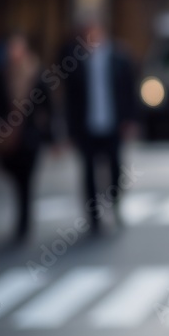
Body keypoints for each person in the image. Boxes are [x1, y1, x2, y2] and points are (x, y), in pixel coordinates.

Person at [61, 20, 138, 234]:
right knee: (88, 172)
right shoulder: (76, 61)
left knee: (114, 168)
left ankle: (115, 205)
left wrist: (131, 119)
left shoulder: (119, 57)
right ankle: (93, 217)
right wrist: (69, 130)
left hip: (113, 123)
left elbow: (129, 89)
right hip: (86, 126)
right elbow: (70, 99)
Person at [0, 34, 54, 244]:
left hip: (30, 134)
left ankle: (24, 222)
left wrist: (51, 135)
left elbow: (48, 106)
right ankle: (23, 218)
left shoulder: (36, 72)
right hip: (8, 135)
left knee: (27, 179)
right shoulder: (1, 74)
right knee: (14, 175)